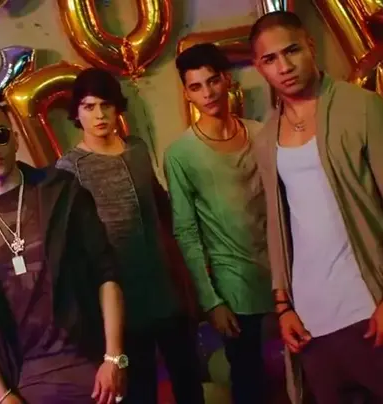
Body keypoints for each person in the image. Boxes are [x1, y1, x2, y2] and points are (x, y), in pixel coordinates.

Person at [250, 10, 383, 404]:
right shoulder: (266, 137)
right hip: (310, 324)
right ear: (259, 67)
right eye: (270, 59)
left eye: (291, 51)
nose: (284, 66)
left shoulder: (364, 107)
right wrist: (283, 307)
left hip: (372, 308)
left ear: (310, 46)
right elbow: (277, 226)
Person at [0, 99, 127, 404]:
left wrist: (114, 357)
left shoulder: (60, 189)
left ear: (15, 139)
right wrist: (1, 394)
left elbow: (106, 273)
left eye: (0, 135)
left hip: (92, 364)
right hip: (27, 379)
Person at [56, 67, 204, 404]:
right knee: (140, 391)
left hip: (165, 289)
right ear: (77, 112)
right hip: (121, 299)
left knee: (189, 381)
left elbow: (162, 209)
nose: (99, 115)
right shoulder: (70, 168)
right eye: (89, 107)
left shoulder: (136, 149)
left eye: (106, 105)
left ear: (117, 108)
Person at [164, 43, 273, 404]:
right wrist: (211, 301)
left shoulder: (261, 134)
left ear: (226, 80)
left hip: (283, 274)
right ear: (187, 93)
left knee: (304, 369)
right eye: (196, 87)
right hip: (232, 283)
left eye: (212, 81)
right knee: (248, 379)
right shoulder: (180, 154)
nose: (207, 93)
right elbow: (186, 231)